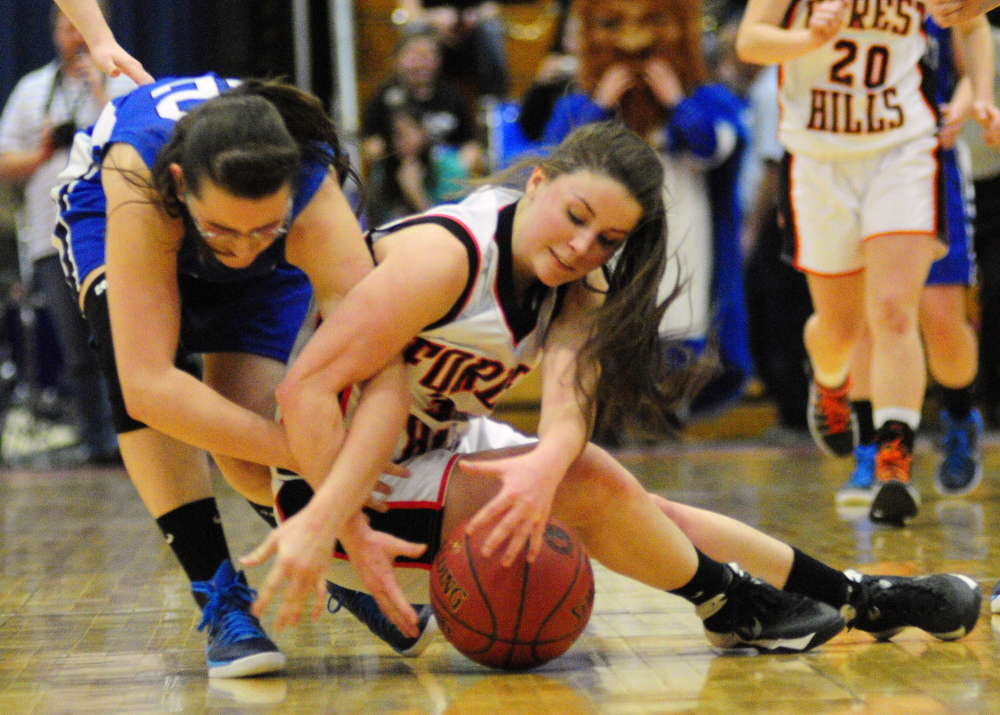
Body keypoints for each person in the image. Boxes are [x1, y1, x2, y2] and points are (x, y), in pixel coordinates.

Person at [242, 122, 982, 658]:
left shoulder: (575, 286)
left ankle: (858, 597)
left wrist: (545, 461)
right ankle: (736, 601)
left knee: (636, 507)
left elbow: (570, 410)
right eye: (576, 218)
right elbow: (304, 389)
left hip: (431, 449)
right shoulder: (446, 257)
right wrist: (342, 529)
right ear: (537, 184)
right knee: (596, 488)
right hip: (336, 484)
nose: (582, 247)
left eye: (607, 240)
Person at [52, 74, 407, 678]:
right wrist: (309, 453)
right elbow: (150, 387)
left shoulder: (314, 193)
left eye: (262, 230)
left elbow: (383, 364)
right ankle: (219, 596)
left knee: (245, 451)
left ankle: (335, 563)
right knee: (130, 360)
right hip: (111, 210)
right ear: (182, 185)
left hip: (245, 219)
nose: (242, 251)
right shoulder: (141, 175)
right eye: (225, 232)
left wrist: (342, 493)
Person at [737, 0, 1000, 525]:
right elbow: (750, 41)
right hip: (818, 161)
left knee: (895, 312)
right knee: (840, 329)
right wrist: (809, 38)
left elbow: (973, 23)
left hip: (903, 151)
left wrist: (983, 97)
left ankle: (892, 462)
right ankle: (830, 382)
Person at [837, 15, 999, 509]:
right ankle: (875, 451)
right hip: (847, 161)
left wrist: (969, 103)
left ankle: (957, 415)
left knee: (940, 317)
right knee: (872, 316)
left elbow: (972, 46)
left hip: (927, 161)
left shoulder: (938, 7)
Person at [0, 6, 132, 465]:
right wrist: (39, 153)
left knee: (128, 342)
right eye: (66, 26)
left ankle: (140, 436)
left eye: (83, 25)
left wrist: (98, 91)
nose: (75, 35)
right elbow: (3, 162)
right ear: (55, 33)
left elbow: (145, 145)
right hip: (50, 238)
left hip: (123, 234)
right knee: (79, 350)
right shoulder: (32, 89)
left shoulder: (121, 80)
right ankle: (97, 441)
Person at [360, 27, 480, 174]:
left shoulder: (453, 97)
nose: (421, 63)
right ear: (397, 59)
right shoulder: (384, 98)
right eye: (414, 55)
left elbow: (470, 142)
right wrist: (395, 148)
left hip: (445, 174)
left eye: (429, 55)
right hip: (399, 174)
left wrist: (459, 168)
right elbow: (370, 146)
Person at [365, 105, 467, 228]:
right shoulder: (383, 170)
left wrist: (415, 194)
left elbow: (453, 227)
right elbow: (377, 224)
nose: (405, 142)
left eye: (411, 132)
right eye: (398, 135)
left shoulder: (449, 167)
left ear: (423, 132)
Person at [52, 0, 153, 85]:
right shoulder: (38, 83)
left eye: (83, 29)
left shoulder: (125, 83)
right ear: (56, 33)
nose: (79, 38)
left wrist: (100, 42)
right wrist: (100, 42)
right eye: (71, 30)